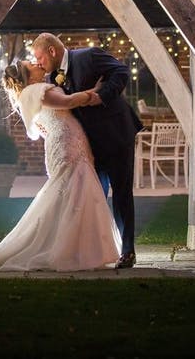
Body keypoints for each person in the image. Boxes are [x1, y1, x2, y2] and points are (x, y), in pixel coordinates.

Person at [0, 60, 120, 271]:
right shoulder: (39, 90)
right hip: (68, 145)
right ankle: (74, 251)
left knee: (74, 192)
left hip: (66, 142)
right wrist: (98, 91)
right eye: (32, 64)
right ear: (28, 76)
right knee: (76, 191)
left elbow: (44, 125)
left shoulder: (29, 95)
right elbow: (69, 102)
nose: (37, 63)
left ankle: (78, 248)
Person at [31, 32, 143, 269]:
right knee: (95, 196)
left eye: (39, 57)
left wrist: (100, 96)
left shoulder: (88, 57)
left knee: (122, 193)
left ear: (52, 51)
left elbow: (121, 72)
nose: (38, 63)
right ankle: (95, 250)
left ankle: (127, 251)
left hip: (116, 134)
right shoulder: (51, 77)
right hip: (89, 144)